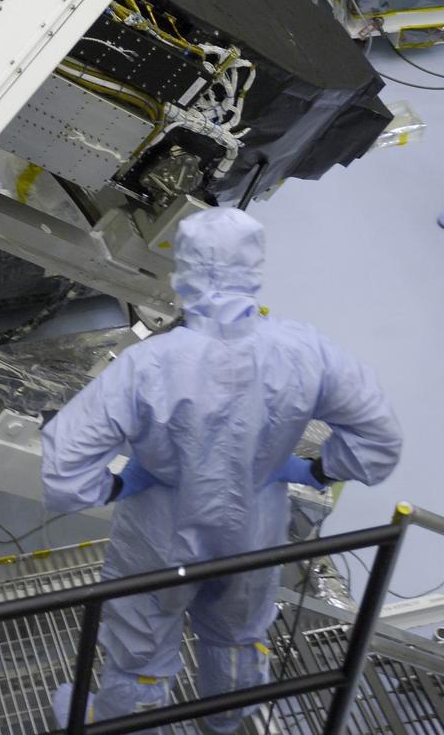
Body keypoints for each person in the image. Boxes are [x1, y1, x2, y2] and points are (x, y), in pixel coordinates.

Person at [42, 206, 401, 733]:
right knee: (238, 635)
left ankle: (123, 722)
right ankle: (226, 724)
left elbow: (64, 466)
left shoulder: (149, 365)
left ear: (182, 274)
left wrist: (117, 483)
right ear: (253, 270)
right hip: (257, 527)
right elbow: (379, 438)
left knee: (142, 639)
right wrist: (318, 472)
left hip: (160, 532)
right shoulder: (305, 351)